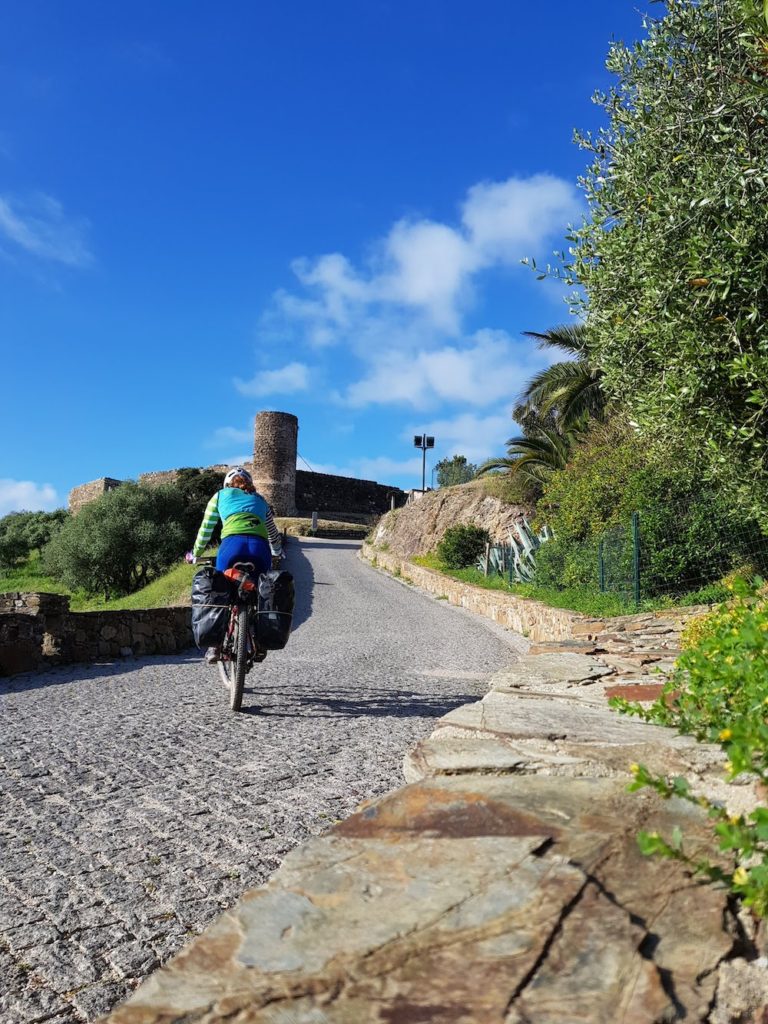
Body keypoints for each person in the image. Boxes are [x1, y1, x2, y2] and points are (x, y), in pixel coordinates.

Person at [186, 466, 282, 663]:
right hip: (259, 549)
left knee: (219, 589)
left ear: (227, 484)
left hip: (232, 547)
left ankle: (215, 647)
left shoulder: (220, 496)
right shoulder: (260, 500)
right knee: (261, 591)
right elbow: (273, 532)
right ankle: (260, 641)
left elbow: (206, 528)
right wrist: (278, 551)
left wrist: (195, 554)